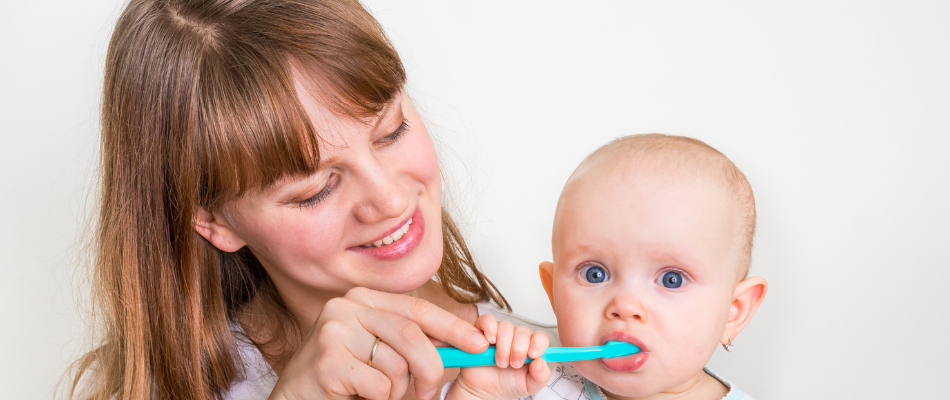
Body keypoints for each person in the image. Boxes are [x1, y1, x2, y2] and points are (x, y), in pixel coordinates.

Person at [65, 0, 557, 399]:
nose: (388, 199)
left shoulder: (558, 375)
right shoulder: (149, 390)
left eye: (391, 131)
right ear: (213, 221)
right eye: (315, 190)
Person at [527, 134, 768, 400]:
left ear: (733, 312)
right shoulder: (528, 379)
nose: (626, 306)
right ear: (554, 294)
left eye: (672, 279)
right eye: (595, 274)